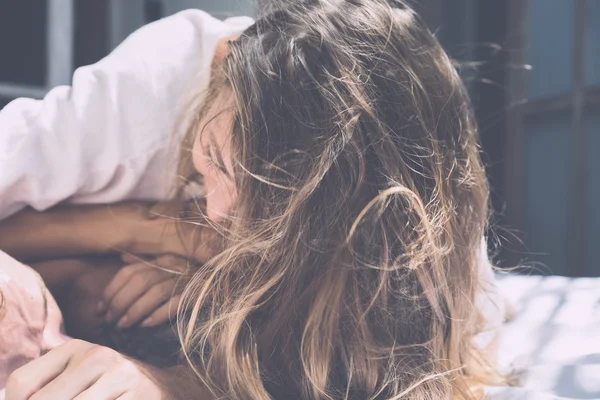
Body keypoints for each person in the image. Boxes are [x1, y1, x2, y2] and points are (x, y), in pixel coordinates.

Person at [1, 0, 505, 398]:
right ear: (224, 60)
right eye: (217, 159)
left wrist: (180, 375)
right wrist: (142, 227)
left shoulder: (418, 236)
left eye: (271, 208)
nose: (218, 210)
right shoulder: (155, 82)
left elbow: (399, 369)